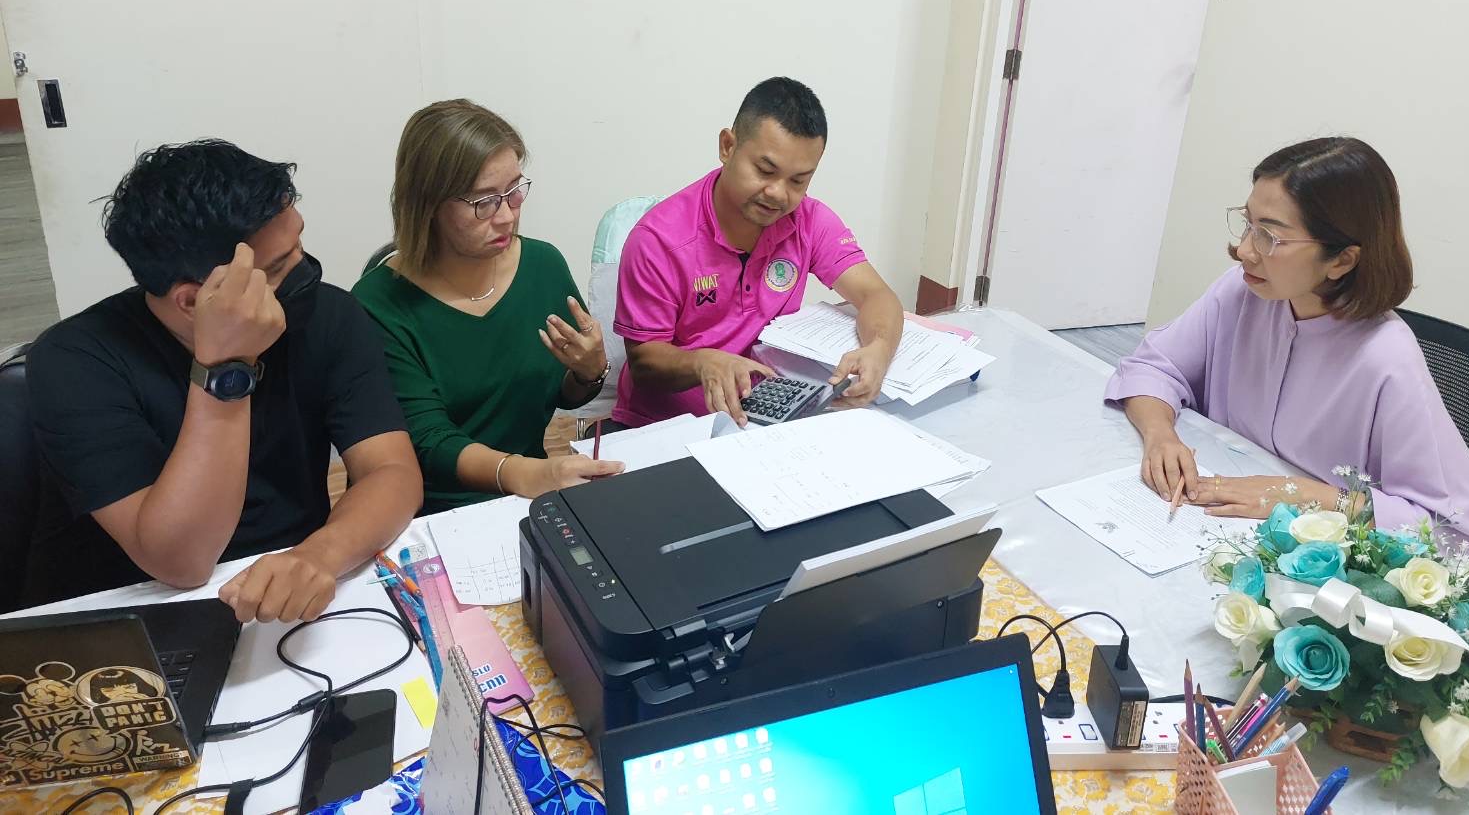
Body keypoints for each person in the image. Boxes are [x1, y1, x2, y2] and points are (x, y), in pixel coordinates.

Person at [22, 141, 423, 620]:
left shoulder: (330, 316)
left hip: (287, 586)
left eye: (298, 244)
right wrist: (227, 366)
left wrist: (318, 556)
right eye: (278, 268)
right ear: (193, 302)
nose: (304, 271)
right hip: (134, 609)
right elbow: (182, 562)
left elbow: (392, 472)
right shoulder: (75, 361)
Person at [1107, 136, 1469, 541]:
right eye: (1248, 224)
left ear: (1341, 260)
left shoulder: (1386, 358)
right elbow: (1152, 368)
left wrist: (1306, 495)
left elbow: (1449, 529)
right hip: (1204, 521)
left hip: (1309, 555)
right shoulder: (1242, 292)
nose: (1244, 251)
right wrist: (1160, 435)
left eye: (1269, 236)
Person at [353, 100, 622, 514]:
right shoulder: (379, 305)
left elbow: (560, 394)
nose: (507, 217)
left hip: (528, 492)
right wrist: (528, 473)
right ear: (428, 204)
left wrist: (589, 371)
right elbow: (429, 441)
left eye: (514, 191)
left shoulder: (542, 265)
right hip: (431, 510)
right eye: (485, 202)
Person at [614, 77, 903, 428]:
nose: (778, 193)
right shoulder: (659, 240)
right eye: (765, 171)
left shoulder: (809, 221)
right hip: (668, 426)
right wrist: (701, 363)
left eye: (798, 180)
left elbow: (875, 294)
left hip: (768, 416)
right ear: (727, 146)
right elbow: (644, 361)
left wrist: (879, 349)